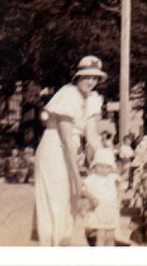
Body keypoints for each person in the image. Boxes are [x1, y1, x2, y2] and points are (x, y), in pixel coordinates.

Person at [34, 55, 107, 246]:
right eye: (86, 77)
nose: (91, 82)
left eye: (95, 78)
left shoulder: (91, 99)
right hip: (54, 148)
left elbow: (92, 137)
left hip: (71, 149)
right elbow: (65, 141)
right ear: (77, 77)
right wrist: (77, 177)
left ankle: (62, 244)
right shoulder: (68, 95)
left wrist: (108, 162)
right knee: (57, 201)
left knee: (71, 204)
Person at [83, 148, 120, 246]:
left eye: (107, 167)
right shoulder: (92, 178)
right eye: (101, 166)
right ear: (94, 166)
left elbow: (118, 185)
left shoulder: (112, 177)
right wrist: (91, 197)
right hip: (99, 211)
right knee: (101, 235)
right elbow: (82, 190)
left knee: (111, 236)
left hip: (111, 212)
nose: (104, 169)